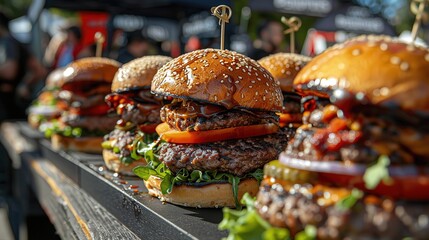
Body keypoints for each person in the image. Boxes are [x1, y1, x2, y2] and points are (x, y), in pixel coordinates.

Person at [0, 10, 46, 121]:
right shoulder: (14, 41)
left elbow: (10, 71)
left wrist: (23, 84)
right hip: (14, 101)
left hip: (8, 103)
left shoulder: (8, 42)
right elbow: (39, 70)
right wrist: (24, 84)